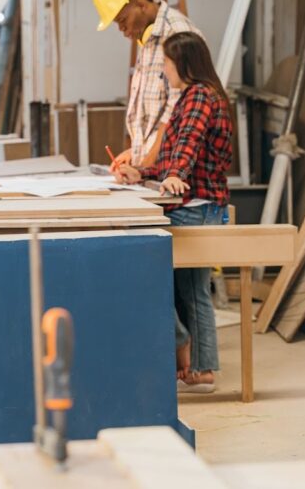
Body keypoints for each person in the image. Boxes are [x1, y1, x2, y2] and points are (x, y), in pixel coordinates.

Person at [116, 31, 233, 393]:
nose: (164, 70)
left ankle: (195, 360)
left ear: (183, 62)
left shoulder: (199, 96)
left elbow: (187, 148)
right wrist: (143, 173)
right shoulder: (191, 97)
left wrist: (174, 176)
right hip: (193, 202)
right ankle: (195, 362)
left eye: (166, 63)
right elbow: (170, 157)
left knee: (171, 284)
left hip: (194, 206)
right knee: (186, 289)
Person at [91, 0, 205, 169]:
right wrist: (135, 153)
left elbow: (176, 113)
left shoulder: (176, 35)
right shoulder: (148, 37)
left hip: (172, 172)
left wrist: (144, 167)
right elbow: (154, 112)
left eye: (123, 21)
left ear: (141, 5)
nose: (122, 30)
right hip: (153, 168)